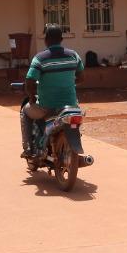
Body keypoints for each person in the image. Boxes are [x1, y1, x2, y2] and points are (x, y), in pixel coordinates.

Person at [20, 24, 84, 159]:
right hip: (71, 106)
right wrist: (68, 83)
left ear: (46, 39)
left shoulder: (40, 58)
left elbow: (30, 81)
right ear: (61, 39)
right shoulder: (74, 55)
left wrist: (31, 97)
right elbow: (81, 78)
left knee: (25, 111)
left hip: (47, 107)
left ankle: (28, 148)